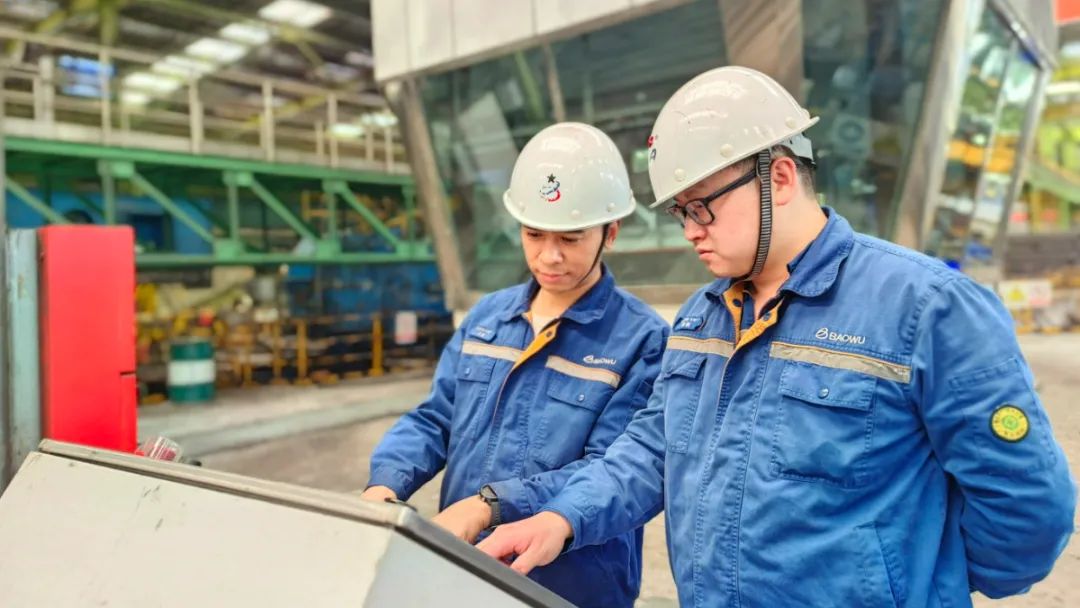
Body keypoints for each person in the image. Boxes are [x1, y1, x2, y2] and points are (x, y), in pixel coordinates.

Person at [478, 66, 1076, 607]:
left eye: (700, 207)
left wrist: (922, 581)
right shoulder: (701, 319)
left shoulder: (926, 308)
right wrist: (562, 519)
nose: (689, 231)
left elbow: (1028, 508)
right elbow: (651, 450)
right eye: (679, 212)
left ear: (781, 177)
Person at [361, 122, 669, 607]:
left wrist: (489, 506)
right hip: (466, 572)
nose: (549, 256)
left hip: (570, 587)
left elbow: (612, 471)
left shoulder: (641, 339)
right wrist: (386, 482)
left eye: (570, 238)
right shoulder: (489, 317)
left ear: (610, 232)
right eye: (533, 234)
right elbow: (436, 418)